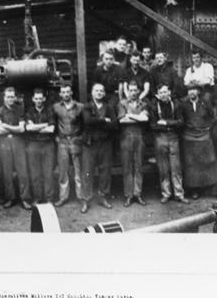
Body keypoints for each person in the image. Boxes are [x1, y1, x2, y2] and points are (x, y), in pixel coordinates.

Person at [179, 83, 217, 198]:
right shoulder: (183, 104)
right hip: (189, 137)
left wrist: (207, 127)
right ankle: (194, 190)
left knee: (210, 161)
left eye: (194, 90)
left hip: (204, 135)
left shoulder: (204, 103)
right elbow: (180, 120)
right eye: (189, 90)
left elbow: (212, 117)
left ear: (198, 91)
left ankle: (214, 189)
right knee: (192, 164)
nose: (192, 92)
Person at [80, 83, 118, 213]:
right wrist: (103, 120)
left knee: (105, 172)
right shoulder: (87, 107)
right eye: (96, 90)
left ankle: (103, 197)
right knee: (87, 172)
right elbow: (87, 121)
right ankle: (86, 200)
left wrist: (98, 122)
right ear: (92, 93)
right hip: (90, 144)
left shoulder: (109, 107)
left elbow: (114, 125)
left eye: (101, 91)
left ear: (104, 93)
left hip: (105, 144)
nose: (99, 93)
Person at [0, 87, 32, 209]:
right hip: (4, 142)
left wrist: (5, 125)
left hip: (18, 142)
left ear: (15, 97)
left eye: (12, 97)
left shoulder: (20, 110)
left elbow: (21, 129)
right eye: (8, 97)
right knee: (7, 172)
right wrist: (13, 128)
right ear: (4, 98)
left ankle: (25, 198)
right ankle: (10, 198)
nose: (10, 99)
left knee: (23, 171)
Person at [150, 83, 188, 203]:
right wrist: (171, 124)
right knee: (163, 168)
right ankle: (166, 193)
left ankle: (179, 194)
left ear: (169, 92)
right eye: (161, 92)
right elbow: (153, 125)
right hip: (160, 138)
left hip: (173, 138)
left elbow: (181, 122)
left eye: (165, 92)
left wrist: (166, 123)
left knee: (176, 167)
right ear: (157, 94)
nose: (163, 94)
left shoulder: (176, 104)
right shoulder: (154, 106)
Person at [118, 80, 150, 206]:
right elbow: (122, 120)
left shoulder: (143, 103)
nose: (133, 92)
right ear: (127, 91)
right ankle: (128, 195)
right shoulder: (122, 103)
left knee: (139, 166)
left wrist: (130, 116)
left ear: (138, 91)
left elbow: (146, 119)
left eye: (135, 90)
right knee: (127, 167)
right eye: (130, 90)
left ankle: (138, 194)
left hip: (139, 137)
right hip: (126, 137)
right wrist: (138, 117)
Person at [52, 84, 84, 207]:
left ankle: (81, 197)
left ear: (71, 93)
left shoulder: (79, 107)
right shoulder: (56, 107)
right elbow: (53, 122)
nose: (66, 94)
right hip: (63, 142)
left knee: (78, 171)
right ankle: (63, 197)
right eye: (63, 92)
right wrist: (56, 137)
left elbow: (84, 125)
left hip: (75, 141)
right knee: (63, 171)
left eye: (67, 92)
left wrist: (80, 138)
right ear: (60, 94)